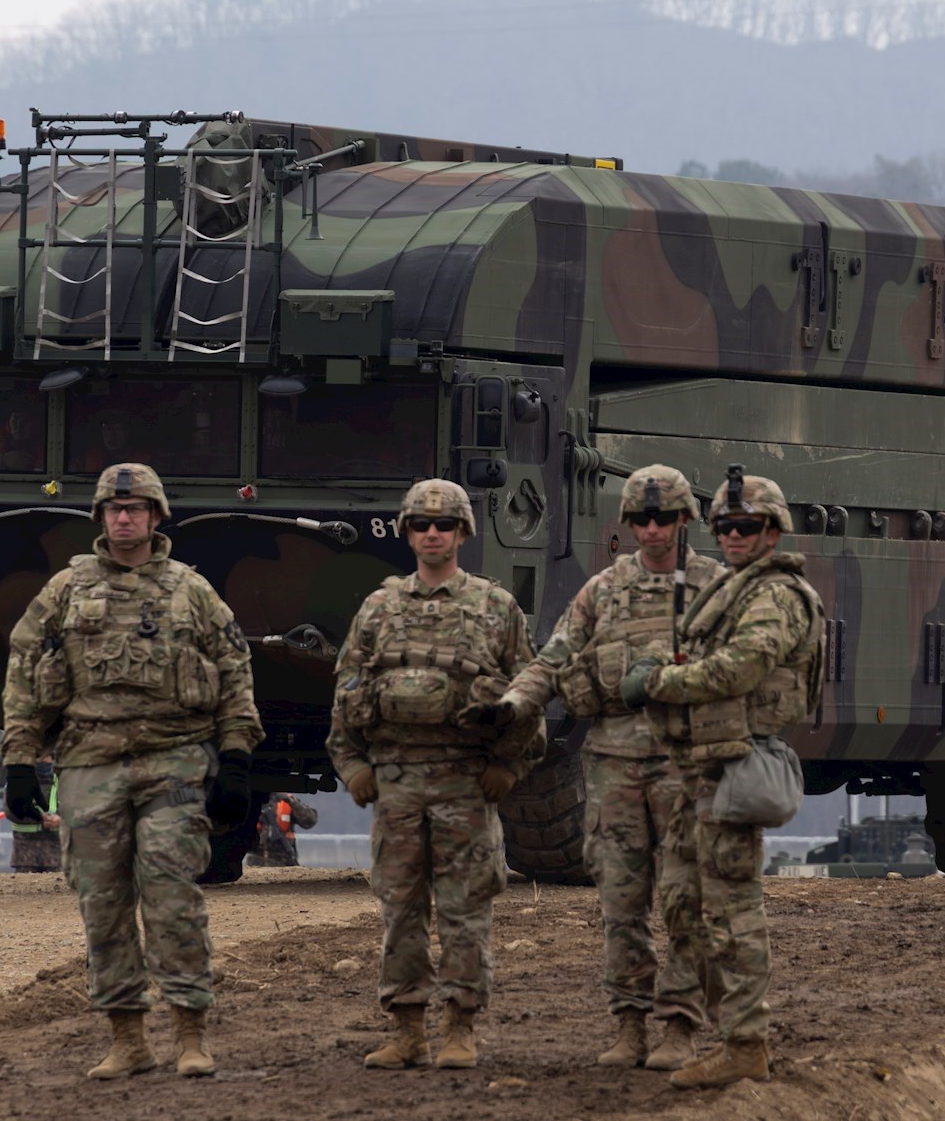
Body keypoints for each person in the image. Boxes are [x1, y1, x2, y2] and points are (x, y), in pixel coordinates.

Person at [1, 463, 262, 1080]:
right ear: (101, 518)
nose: (124, 518)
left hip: (174, 761)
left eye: (136, 509)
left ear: (155, 518)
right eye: (114, 510)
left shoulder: (190, 590)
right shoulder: (65, 590)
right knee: (104, 904)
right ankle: (127, 1039)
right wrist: (17, 762)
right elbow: (22, 671)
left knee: (172, 897)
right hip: (90, 765)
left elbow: (235, 669)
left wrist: (237, 760)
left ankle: (190, 1034)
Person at [492, 465, 723, 1071]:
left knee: (686, 902)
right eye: (641, 518)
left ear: (684, 521)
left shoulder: (716, 589)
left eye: (664, 518)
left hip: (685, 769)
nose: (652, 529)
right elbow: (556, 656)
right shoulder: (602, 591)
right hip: (615, 767)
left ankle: (679, 1027)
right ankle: (629, 1025)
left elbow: (745, 668)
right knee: (621, 904)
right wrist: (519, 700)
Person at [327, 478, 542, 1071]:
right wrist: (352, 768)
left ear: (462, 533)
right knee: (400, 910)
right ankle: (407, 1030)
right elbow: (347, 691)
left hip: (465, 787)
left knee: (465, 909)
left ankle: (461, 1028)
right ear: (406, 533)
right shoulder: (378, 609)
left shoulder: (496, 608)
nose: (431, 534)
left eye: (443, 524)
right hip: (396, 786)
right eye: (420, 525)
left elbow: (528, 693)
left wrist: (507, 765)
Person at [621, 468, 824, 1089]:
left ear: (773, 530)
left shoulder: (775, 595)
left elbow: (740, 668)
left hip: (735, 764)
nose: (735, 535)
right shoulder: (734, 589)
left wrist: (658, 681)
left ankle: (745, 1044)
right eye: (726, 526)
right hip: (697, 767)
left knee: (732, 913)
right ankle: (726, 1035)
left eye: (748, 526)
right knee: (685, 907)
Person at [6, 753, 63, 873]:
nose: (42, 761)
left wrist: (60, 820)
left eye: (45, 757)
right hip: (25, 855)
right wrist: (39, 818)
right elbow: (10, 810)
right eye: (38, 757)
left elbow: (74, 807)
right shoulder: (19, 780)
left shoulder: (63, 782)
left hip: (55, 855)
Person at [249, 792, 320, 867]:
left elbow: (310, 821)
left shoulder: (287, 801)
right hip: (257, 859)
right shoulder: (250, 801)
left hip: (285, 858)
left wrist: (292, 802)